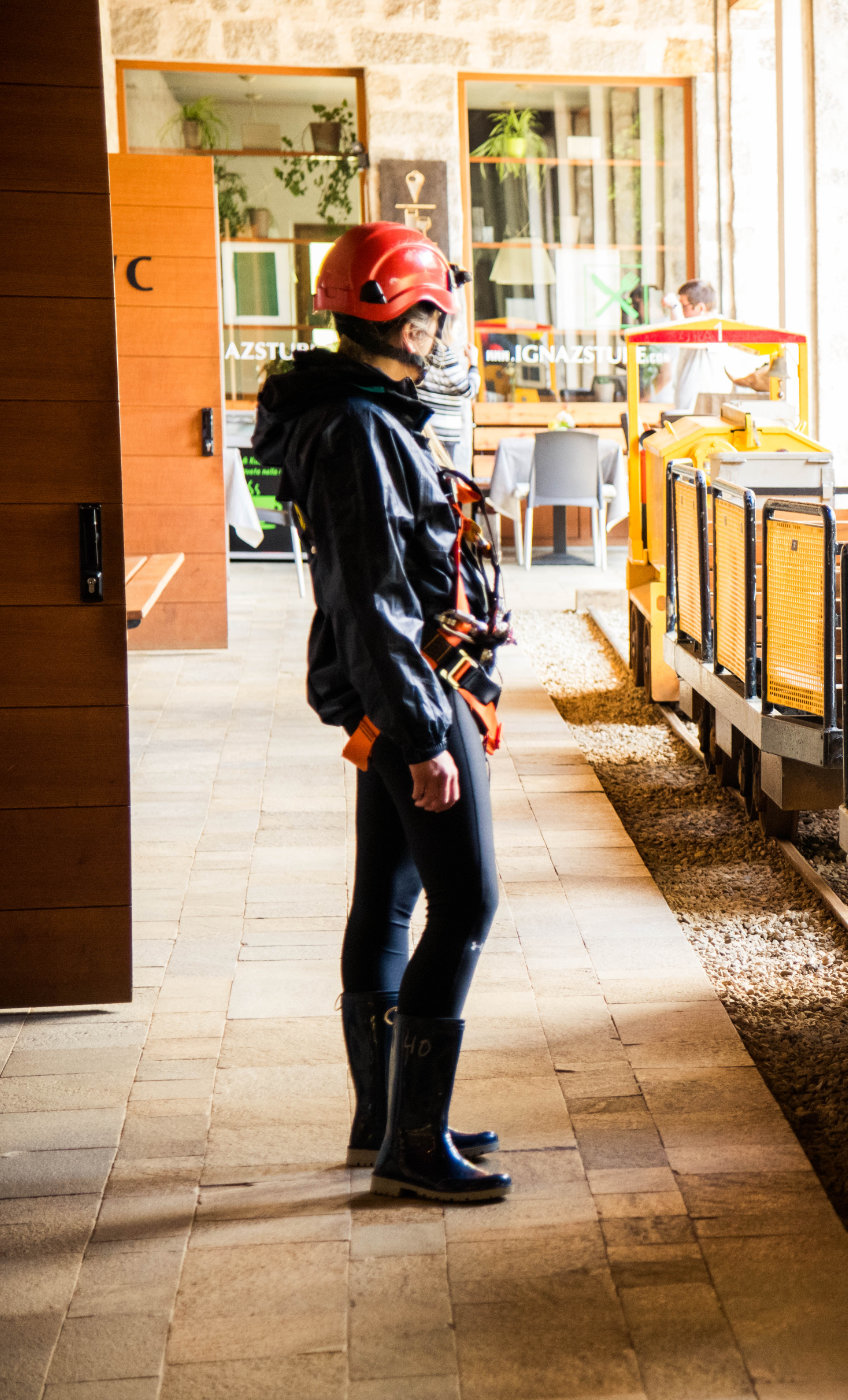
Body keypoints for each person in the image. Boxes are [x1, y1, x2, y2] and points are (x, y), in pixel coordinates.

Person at [254, 223, 510, 1203]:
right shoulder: (361, 427)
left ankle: (392, 1115)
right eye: (434, 311)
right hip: (411, 690)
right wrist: (422, 733)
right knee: (467, 903)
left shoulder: (354, 410)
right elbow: (371, 597)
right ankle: (412, 1142)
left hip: (396, 683)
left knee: (391, 898)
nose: (443, 328)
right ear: (396, 316)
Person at [648, 280, 763, 415]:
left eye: (684, 307)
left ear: (701, 308)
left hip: (704, 411)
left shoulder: (716, 327)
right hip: (690, 409)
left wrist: (674, 307)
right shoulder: (699, 326)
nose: (682, 313)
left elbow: (682, 336)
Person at [414, 322, 475, 468]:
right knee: (444, 480)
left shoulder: (424, 350)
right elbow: (468, 390)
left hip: (427, 427)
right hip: (444, 431)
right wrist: (474, 364)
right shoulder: (443, 354)